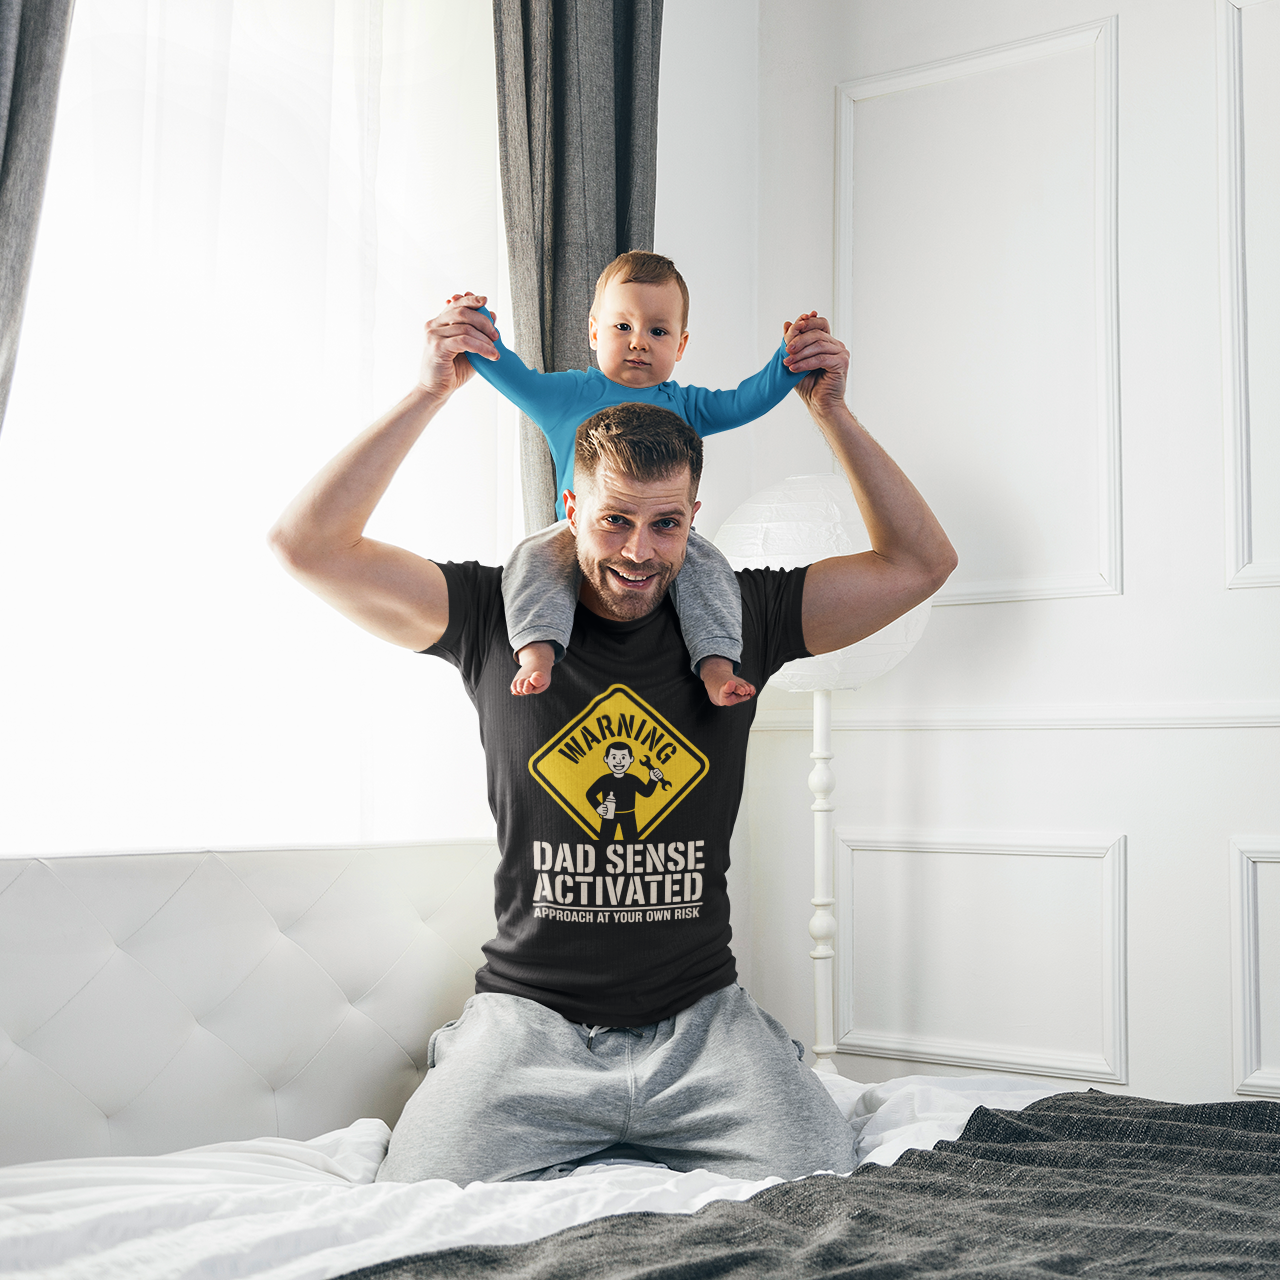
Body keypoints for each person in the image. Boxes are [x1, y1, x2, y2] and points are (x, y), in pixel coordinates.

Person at [267, 293, 957, 1186]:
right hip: (531, 1027)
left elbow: (919, 564)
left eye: (667, 524)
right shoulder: (490, 617)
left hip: (701, 1027)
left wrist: (832, 413)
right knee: (417, 1198)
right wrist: (429, 392)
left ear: (694, 517)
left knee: (825, 1193)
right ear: (569, 505)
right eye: (614, 521)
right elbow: (306, 544)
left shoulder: (744, 615)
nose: (640, 551)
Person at [453, 250, 819, 707]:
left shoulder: (686, 405)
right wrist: (475, 322)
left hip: (662, 533)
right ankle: (536, 653)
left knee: (710, 568)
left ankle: (717, 666)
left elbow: (745, 401)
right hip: (580, 533)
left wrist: (789, 360)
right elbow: (506, 369)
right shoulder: (565, 396)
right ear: (593, 331)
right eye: (622, 327)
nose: (639, 342)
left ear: (681, 346)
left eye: (658, 331)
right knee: (533, 558)